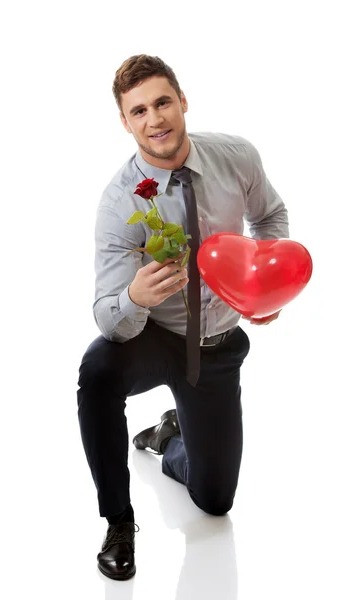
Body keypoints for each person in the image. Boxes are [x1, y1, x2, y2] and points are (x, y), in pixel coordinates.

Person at [76, 54, 289, 581]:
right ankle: (119, 522)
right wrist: (137, 297)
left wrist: (262, 288)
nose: (155, 120)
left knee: (215, 502)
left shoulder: (236, 157)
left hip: (217, 343)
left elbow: (270, 215)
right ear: (125, 122)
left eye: (163, 102)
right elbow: (107, 315)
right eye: (139, 110)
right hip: (157, 336)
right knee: (98, 370)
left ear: (183, 101)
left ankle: (170, 438)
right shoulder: (118, 201)